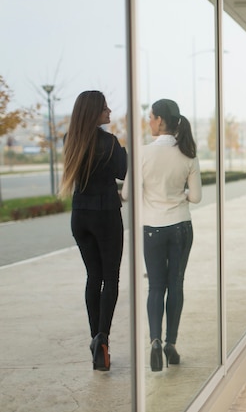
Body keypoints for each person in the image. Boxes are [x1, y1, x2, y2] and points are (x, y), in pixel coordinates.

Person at [122, 99, 201, 372]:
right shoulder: (188, 154)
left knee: (156, 287)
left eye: (150, 117)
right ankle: (171, 343)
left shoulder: (142, 153)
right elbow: (197, 196)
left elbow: (126, 194)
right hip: (181, 226)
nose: (149, 121)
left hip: (152, 229)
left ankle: (154, 341)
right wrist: (179, 194)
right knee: (176, 284)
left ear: (158, 120)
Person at [59, 91, 127, 371]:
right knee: (110, 279)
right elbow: (123, 172)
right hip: (106, 215)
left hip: (80, 217)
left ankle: (94, 338)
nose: (109, 112)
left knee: (93, 277)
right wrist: (125, 149)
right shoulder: (109, 142)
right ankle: (103, 340)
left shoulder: (69, 140)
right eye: (104, 108)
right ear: (94, 112)